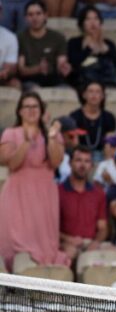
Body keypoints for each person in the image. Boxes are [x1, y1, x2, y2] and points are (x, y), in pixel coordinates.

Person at [0, 92, 69, 271]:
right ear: (20, 111)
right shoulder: (11, 133)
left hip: (44, 193)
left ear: (41, 110)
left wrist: (51, 136)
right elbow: (12, 164)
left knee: (44, 242)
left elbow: (55, 162)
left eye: (35, 106)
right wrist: (26, 142)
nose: (31, 110)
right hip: (18, 193)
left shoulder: (52, 134)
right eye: (27, 107)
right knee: (16, 241)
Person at [58, 144, 109, 262]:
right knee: (70, 253)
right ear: (70, 163)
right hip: (66, 243)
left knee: (115, 253)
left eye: (87, 161)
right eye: (78, 160)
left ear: (91, 166)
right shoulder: (57, 192)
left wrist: (96, 242)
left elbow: (103, 228)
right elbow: (50, 228)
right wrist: (68, 239)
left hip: (90, 242)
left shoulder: (99, 193)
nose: (82, 165)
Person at [17, 1, 72, 87]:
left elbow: (61, 63)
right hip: (30, 80)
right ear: (26, 18)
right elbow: (21, 70)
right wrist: (37, 69)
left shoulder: (58, 37)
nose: (34, 18)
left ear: (45, 15)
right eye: (30, 15)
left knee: (66, 89)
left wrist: (64, 68)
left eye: (38, 14)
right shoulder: (20, 38)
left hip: (54, 79)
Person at [67, 5, 116, 88]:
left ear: (100, 22)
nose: (93, 23)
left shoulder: (108, 43)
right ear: (82, 23)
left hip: (108, 82)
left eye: (96, 19)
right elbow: (74, 63)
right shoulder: (74, 42)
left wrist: (106, 50)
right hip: (84, 83)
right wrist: (88, 49)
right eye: (88, 19)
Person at [71, 81, 116, 154]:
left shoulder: (109, 117)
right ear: (84, 95)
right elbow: (74, 144)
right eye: (91, 91)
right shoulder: (74, 116)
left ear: (102, 96)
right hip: (80, 154)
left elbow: (109, 144)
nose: (94, 95)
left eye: (98, 92)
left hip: (102, 155)